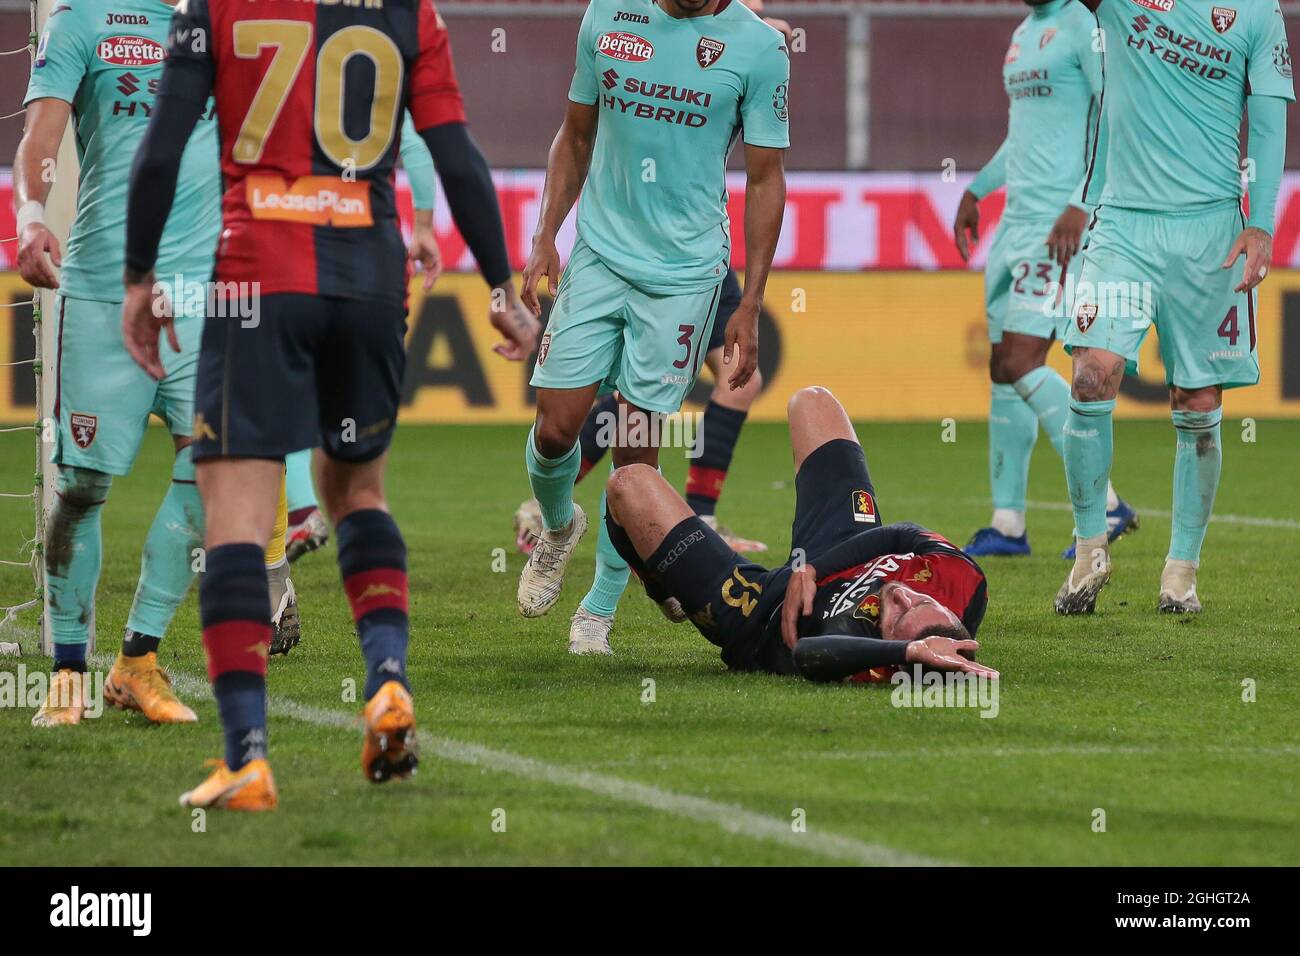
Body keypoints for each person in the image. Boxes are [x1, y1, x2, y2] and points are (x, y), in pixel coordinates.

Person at [121, 0, 538, 809]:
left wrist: (140, 279)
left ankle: (246, 758)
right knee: (357, 495)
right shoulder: (411, 14)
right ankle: (386, 682)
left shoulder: (212, 7)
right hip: (369, 281)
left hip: (259, 279)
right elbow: (456, 155)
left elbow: (161, 149)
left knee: (236, 518)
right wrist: (499, 284)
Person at [14, 0, 302, 725]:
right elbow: (40, 137)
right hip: (105, 293)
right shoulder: (82, 23)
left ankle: (137, 661)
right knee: (80, 490)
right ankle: (68, 671)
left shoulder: (222, 27)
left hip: (204, 299)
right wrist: (29, 214)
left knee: (211, 479)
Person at [515, 0, 790, 656]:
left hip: (686, 275)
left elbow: (765, 178)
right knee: (556, 426)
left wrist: (749, 302)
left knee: (635, 450)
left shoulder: (758, 49)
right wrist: (546, 234)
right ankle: (558, 528)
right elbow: (575, 134)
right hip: (600, 255)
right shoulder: (607, 15)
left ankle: (596, 614)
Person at [1055, 0, 1292, 614]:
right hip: (1124, 228)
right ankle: (1089, 552)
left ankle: (1181, 571)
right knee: (1090, 376)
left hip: (1210, 232)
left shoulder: (1258, 13)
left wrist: (1261, 224)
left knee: (1199, 400)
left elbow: (1267, 125)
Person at [604, 387, 998, 684]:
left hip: (759, 612)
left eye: (898, 616)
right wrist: (811, 570)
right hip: (839, 550)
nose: (901, 593)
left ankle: (662, 588)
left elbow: (810, 652)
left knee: (628, 483)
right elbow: (904, 535)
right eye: (921, 599)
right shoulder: (966, 583)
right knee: (814, 401)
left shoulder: (867, 658)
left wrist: (910, 650)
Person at [953, 0, 1136, 560]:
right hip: (1015, 222)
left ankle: (1107, 504)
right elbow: (1025, 135)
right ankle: (1007, 524)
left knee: (1020, 359)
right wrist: (977, 188)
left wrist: (1082, 203)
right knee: (1000, 369)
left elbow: (1114, 113)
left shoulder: (1084, 24)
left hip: (1059, 223)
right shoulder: (1024, 32)